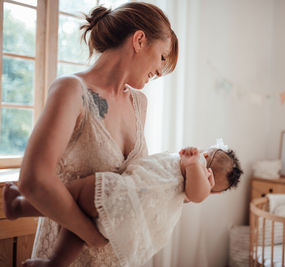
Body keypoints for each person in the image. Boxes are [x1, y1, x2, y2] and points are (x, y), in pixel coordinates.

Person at [16, 2, 178, 266]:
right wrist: (92, 236)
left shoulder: (139, 103)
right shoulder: (72, 90)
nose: (160, 71)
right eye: (162, 56)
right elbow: (34, 181)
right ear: (139, 40)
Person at [4, 146, 243, 267]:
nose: (202, 156)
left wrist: (194, 165)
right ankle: (55, 264)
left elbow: (198, 195)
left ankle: (20, 207)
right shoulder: (188, 175)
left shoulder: (198, 170)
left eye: (207, 157)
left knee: (70, 195)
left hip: (122, 195)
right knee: (78, 223)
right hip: (128, 211)